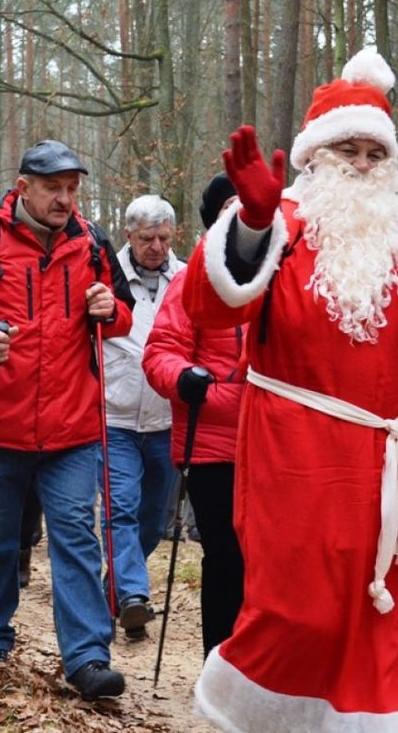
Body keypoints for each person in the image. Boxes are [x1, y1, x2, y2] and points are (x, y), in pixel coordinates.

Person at [182, 49, 398, 731]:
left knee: (396, 623)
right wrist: (251, 224)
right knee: (300, 614)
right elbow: (208, 307)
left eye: (374, 151)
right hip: (301, 461)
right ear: (316, 155)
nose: (360, 162)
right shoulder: (282, 222)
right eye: (345, 148)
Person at [0, 139, 134, 700]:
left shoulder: (94, 243)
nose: (65, 199)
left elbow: (121, 313)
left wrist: (108, 309)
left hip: (72, 427)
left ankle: (88, 658)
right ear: (24, 188)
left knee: (75, 537)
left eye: (72, 189)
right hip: (0, 424)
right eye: (54, 188)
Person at [142, 172, 246, 659]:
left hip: (277, 442)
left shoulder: (283, 275)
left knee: (271, 559)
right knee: (225, 554)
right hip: (212, 443)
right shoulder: (193, 278)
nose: (243, 215)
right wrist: (184, 378)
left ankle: (262, 667)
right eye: (230, 207)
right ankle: (218, 662)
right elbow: (159, 352)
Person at [99, 193, 184, 641]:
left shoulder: (188, 278)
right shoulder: (105, 276)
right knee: (120, 511)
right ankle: (133, 594)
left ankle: (115, 590)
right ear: (129, 234)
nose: (156, 246)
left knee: (152, 519)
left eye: (164, 238)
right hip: (113, 417)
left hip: (167, 419)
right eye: (147, 237)